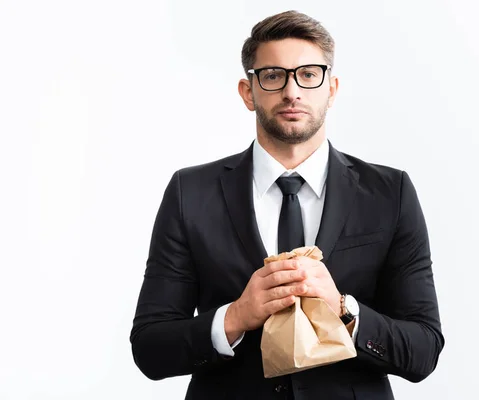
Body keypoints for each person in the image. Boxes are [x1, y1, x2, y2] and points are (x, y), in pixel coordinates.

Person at [130, 10, 444, 400]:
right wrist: (235, 317)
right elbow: (149, 347)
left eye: (309, 75)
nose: (292, 91)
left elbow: (424, 349)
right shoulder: (190, 191)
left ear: (332, 89)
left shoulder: (389, 192)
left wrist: (343, 308)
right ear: (249, 92)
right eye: (273, 75)